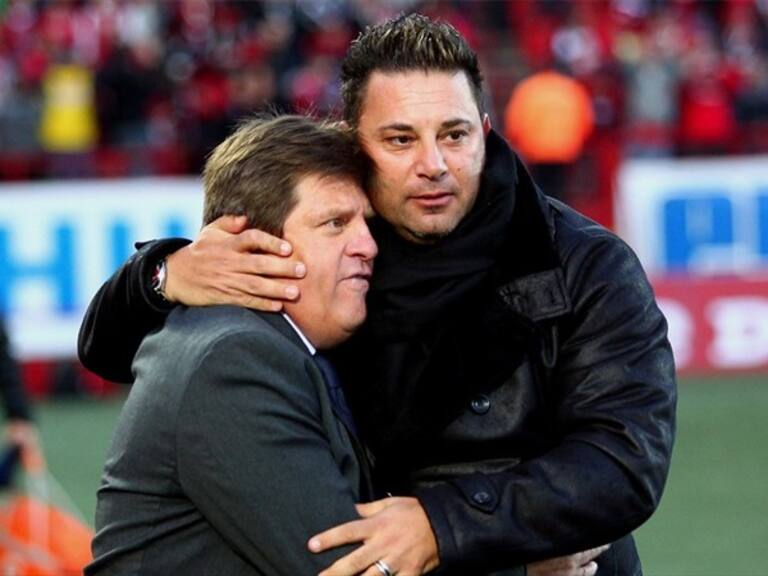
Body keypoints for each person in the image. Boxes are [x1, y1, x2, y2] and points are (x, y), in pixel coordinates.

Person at [79, 14, 677, 576]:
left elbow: (625, 461)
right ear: (353, 142)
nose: (434, 164)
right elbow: (115, 353)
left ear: (486, 133)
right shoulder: (331, 245)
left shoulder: (584, 263)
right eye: (400, 140)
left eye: (455, 134)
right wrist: (161, 276)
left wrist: (446, 526)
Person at [85, 115, 383, 575]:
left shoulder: (255, 341)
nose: (368, 244)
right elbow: (344, 565)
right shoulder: (236, 358)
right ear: (254, 246)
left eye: (365, 222)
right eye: (335, 223)